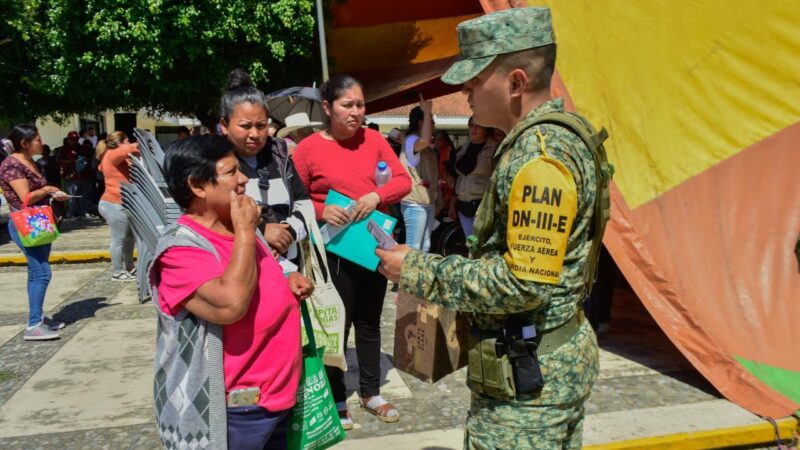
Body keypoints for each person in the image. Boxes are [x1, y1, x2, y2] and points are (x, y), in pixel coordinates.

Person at [376, 7, 613, 449]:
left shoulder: (539, 156)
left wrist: (417, 268)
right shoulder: (558, 137)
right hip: (544, 364)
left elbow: (522, 283)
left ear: (516, 83)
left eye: (474, 80)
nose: (465, 92)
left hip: (528, 386)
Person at [152, 135, 313, 449]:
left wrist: (286, 276)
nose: (243, 180)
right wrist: (245, 231)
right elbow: (231, 305)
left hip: (279, 396)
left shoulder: (239, 227)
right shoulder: (179, 249)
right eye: (231, 173)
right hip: (239, 410)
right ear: (198, 186)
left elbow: (258, 273)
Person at [293, 74, 412, 429]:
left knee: (370, 321)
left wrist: (378, 195)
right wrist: (319, 210)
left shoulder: (375, 140)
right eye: (348, 105)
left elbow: (403, 180)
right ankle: (337, 397)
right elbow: (294, 196)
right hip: (332, 249)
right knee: (336, 324)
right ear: (328, 108)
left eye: (360, 105)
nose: (356, 112)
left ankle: (371, 391)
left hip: (372, 245)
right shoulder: (308, 149)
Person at [219, 69, 314, 272]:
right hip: (239, 269)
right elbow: (210, 217)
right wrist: (262, 232)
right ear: (224, 125)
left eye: (261, 125)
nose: (254, 134)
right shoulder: (213, 162)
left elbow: (304, 203)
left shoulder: (280, 156)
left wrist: (287, 235)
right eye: (245, 126)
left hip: (289, 269)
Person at [0, 124, 69, 341]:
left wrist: (52, 194)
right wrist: (48, 190)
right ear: (24, 143)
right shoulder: (11, 164)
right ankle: (34, 326)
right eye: (37, 139)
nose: (41, 142)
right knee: (42, 273)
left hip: (38, 222)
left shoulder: (29, 162)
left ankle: (37, 317)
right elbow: (26, 198)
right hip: (24, 224)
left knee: (35, 272)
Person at [97, 131, 139, 281]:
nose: (129, 142)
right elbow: (128, 149)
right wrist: (140, 143)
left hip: (121, 203)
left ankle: (129, 267)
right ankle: (117, 271)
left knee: (129, 238)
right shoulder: (112, 154)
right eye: (127, 140)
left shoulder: (116, 155)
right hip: (113, 203)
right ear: (120, 142)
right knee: (119, 239)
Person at [398, 103, 438, 252]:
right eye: (431, 121)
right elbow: (425, 141)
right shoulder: (411, 141)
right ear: (422, 123)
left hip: (426, 202)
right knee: (413, 247)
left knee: (425, 246)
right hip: (415, 203)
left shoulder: (425, 146)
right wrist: (428, 112)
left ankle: (418, 275)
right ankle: (407, 275)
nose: (434, 125)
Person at [450, 117, 497, 238]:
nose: (473, 129)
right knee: (471, 242)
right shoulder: (463, 149)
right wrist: (452, 202)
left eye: (477, 126)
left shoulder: (495, 148)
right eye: (471, 126)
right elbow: (458, 178)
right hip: (463, 205)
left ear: (485, 129)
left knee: (482, 242)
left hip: (483, 206)